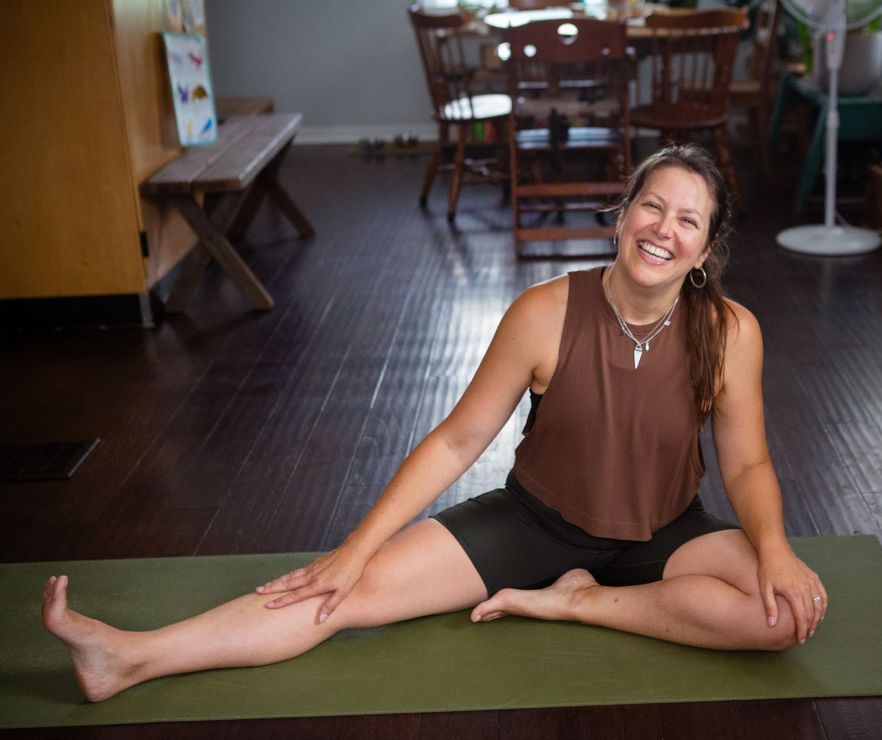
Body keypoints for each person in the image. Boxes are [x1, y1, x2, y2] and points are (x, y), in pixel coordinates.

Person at [42, 145, 828, 703]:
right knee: (334, 595)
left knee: (784, 612)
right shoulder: (543, 313)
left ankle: (578, 602)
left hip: (666, 530)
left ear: (704, 250)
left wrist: (777, 552)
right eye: (650, 206)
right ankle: (131, 657)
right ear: (622, 215)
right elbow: (458, 439)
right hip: (535, 527)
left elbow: (749, 467)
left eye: (687, 220)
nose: (663, 228)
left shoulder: (731, 332)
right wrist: (355, 550)